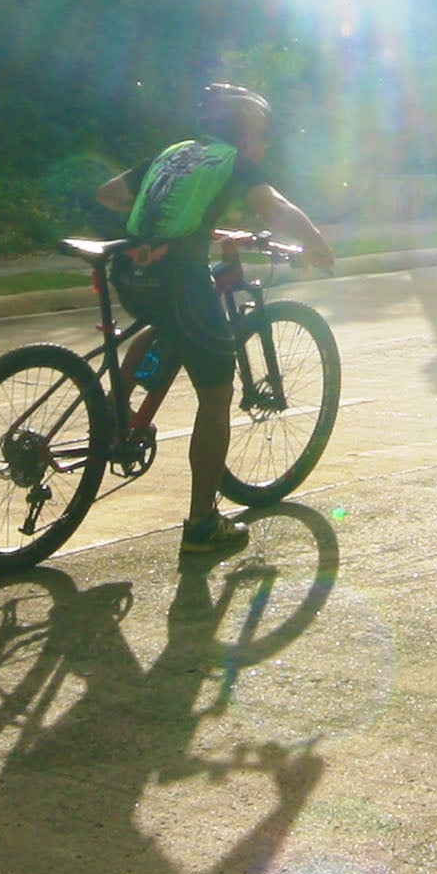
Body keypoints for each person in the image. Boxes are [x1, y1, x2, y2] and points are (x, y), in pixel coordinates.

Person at [96, 83, 333, 555]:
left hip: (129, 271)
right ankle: (202, 524)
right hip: (176, 281)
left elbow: (109, 195)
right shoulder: (235, 161)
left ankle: (115, 413)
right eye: (263, 136)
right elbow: (276, 207)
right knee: (217, 392)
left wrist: (184, 220)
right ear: (247, 133)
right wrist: (315, 243)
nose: (263, 145)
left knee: (164, 325)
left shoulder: (178, 152)